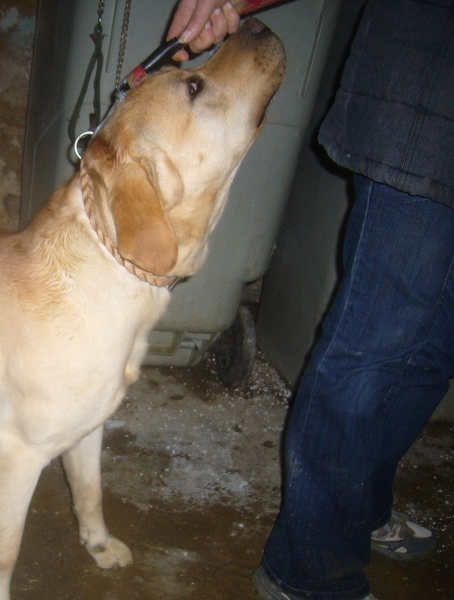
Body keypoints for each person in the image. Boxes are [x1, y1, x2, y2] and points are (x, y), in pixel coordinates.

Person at [169, 0, 454, 599]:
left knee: (435, 347)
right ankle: (306, 574)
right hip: (428, 111)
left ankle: (361, 508)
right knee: (375, 345)